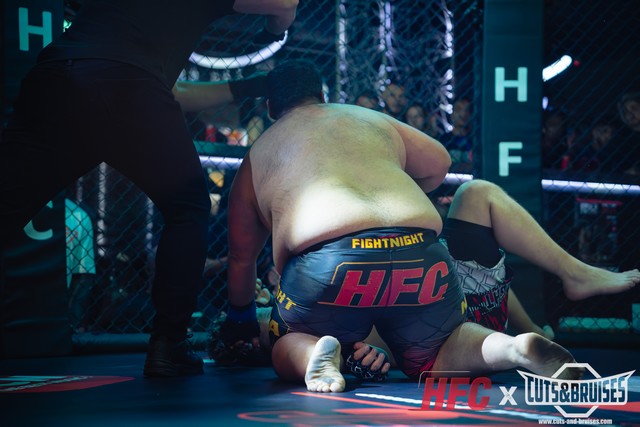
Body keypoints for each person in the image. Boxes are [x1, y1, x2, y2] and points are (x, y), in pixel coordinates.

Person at [220, 59, 599, 394]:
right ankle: (512, 348)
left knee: (286, 341)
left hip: (328, 265)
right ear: (323, 96)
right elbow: (440, 162)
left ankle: (312, 354)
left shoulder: (259, 152)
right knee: (444, 345)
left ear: (270, 107)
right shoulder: (364, 117)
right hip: (419, 251)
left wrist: (240, 321)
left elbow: (241, 258)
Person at [0, 0, 300, 377]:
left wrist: (246, 86)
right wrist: (275, 30)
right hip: (128, 86)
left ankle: (169, 345)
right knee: (188, 207)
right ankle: (168, 344)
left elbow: (173, 90)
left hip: (58, 77)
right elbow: (285, 2)